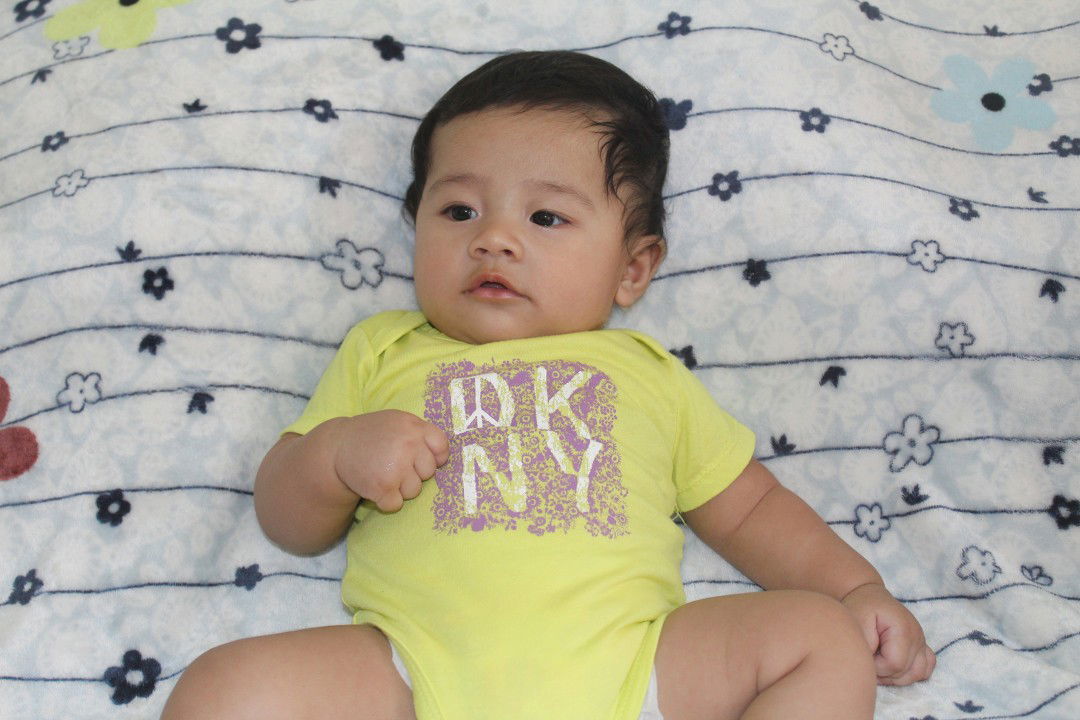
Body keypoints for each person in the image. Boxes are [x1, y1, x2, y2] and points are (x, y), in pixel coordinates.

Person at [161, 50, 935, 720]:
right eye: (459, 209)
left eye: (547, 218)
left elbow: (753, 510)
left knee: (821, 641)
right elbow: (287, 524)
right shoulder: (384, 349)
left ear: (633, 268)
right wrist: (334, 457)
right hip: (413, 669)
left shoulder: (649, 374)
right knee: (220, 687)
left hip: (636, 667)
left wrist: (856, 590)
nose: (494, 237)